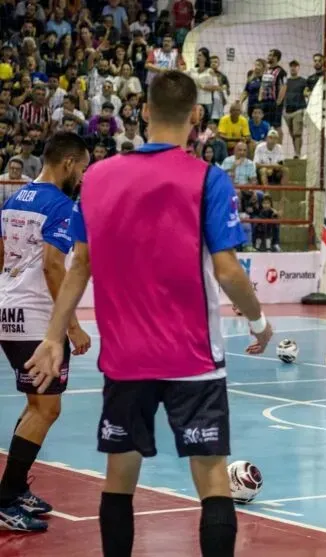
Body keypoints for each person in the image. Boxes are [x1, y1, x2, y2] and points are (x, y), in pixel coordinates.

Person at [23, 71, 273, 557]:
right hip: (194, 359)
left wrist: (54, 337)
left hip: (125, 358)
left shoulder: (97, 177)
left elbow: (81, 266)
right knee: (212, 476)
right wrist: (259, 320)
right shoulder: (208, 178)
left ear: (143, 111)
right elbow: (227, 270)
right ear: (197, 116)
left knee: (120, 480)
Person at [0, 132, 92, 532]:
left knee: (36, 404)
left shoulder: (14, 198)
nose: (84, 177)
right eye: (83, 168)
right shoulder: (61, 205)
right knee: (48, 408)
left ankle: (16, 488)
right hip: (37, 317)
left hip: (9, 308)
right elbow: (55, 266)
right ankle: (5, 501)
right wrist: (70, 327)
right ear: (68, 163)